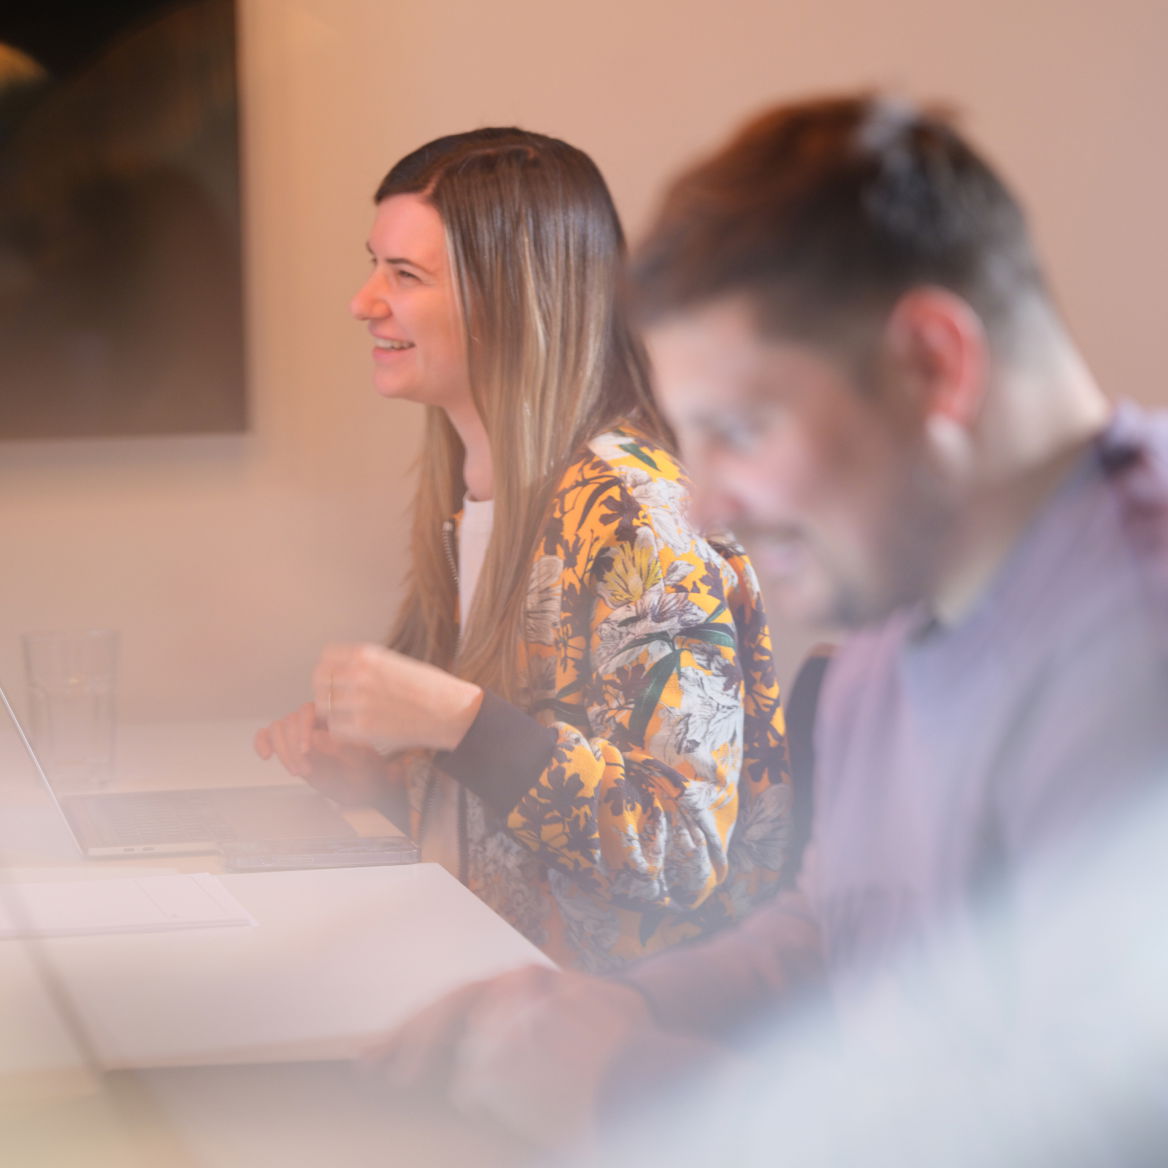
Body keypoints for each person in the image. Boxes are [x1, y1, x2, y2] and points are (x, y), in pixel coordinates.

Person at [364, 97, 1168, 1162]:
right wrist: (613, 1008)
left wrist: (632, 1080)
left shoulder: (1132, 642)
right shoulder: (903, 590)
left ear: (934, 363)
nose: (706, 509)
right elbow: (828, 921)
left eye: (740, 430)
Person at [254, 127, 790, 972]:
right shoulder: (474, 496)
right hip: (481, 985)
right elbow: (515, 831)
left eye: (404, 276)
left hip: (609, 1046)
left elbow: (682, 850)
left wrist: (454, 722)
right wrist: (381, 786)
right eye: (374, 265)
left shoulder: (639, 520)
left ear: (512, 300)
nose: (364, 301)